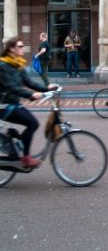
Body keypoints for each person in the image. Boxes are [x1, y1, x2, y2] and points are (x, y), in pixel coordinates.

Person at [0, 37, 58, 168]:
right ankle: (26, 158)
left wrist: (46, 88)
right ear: (11, 49)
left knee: (32, 123)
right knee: (32, 123)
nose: (22, 49)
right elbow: (12, 88)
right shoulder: (3, 66)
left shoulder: (18, 65)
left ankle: (16, 144)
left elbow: (29, 82)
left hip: (13, 104)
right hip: (4, 106)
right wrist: (31, 95)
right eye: (19, 47)